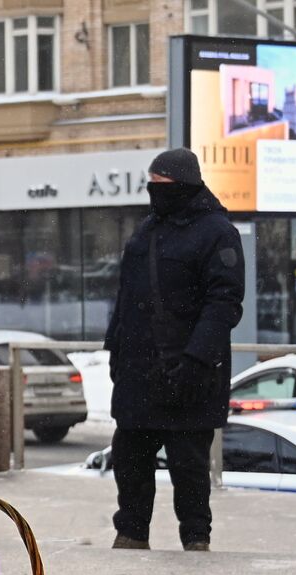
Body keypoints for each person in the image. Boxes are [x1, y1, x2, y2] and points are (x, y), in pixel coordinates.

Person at [104, 148, 245, 552]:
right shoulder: (146, 230)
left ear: (184, 185)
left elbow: (225, 302)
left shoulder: (217, 232)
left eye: (161, 185)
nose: (154, 192)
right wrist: (115, 349)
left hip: (189, 374)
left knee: (189, 467)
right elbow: (126, 297)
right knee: (130, 461)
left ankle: (196, 540)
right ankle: (130, 535)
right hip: (137, 374)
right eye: (151, 184)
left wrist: (195, 358)